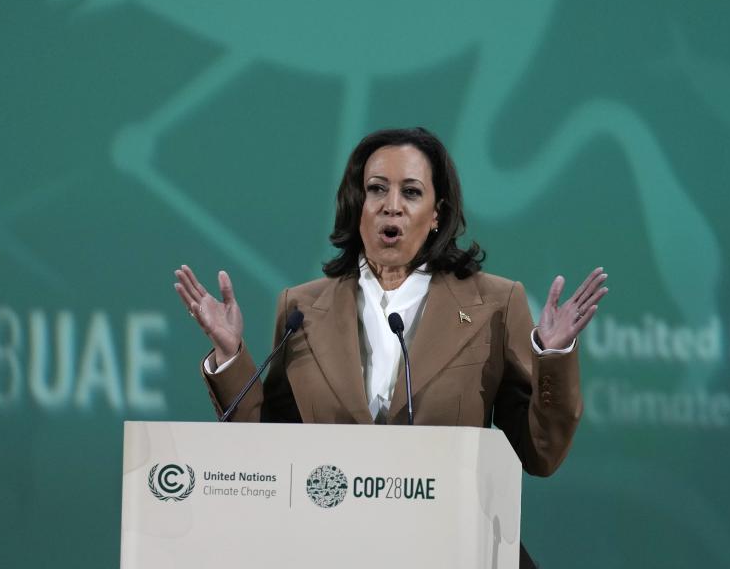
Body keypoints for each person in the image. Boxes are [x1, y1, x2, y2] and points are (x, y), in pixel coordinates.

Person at [174, 127, 608, 479]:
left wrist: (554, 356)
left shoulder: (494, 304)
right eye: (377, 189)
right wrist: (231, 355)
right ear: (357, 204)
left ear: (437, 213)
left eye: (412, 193)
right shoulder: (301, 309)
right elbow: (267, 448)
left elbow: (540, 454)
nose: (391, 207)